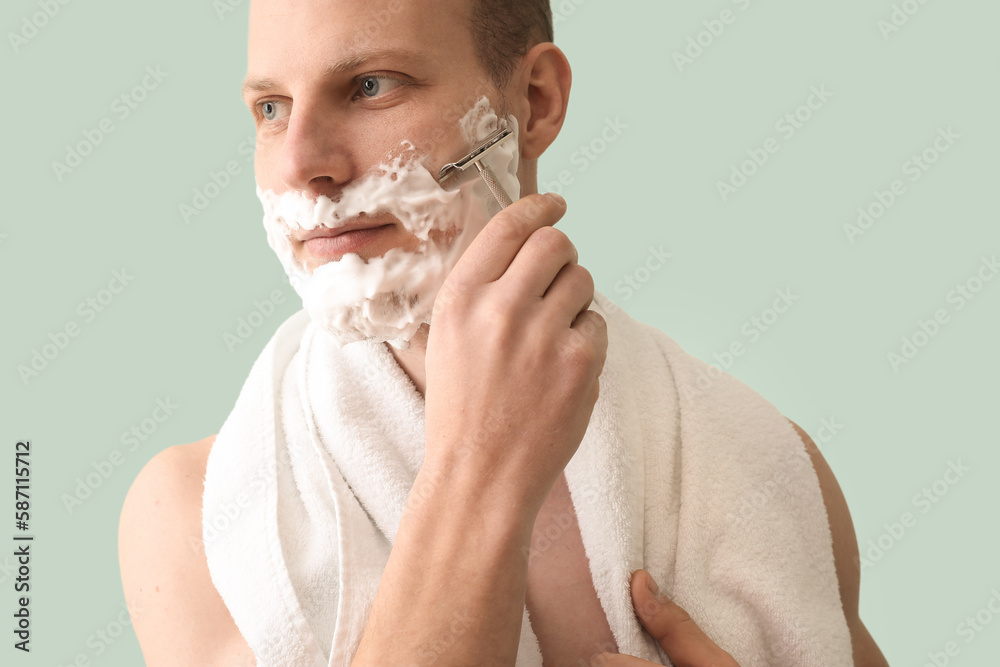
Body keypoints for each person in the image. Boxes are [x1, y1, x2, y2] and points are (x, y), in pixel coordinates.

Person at [117, 0, 890, 665]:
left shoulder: (762, 467)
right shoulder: (205, 522)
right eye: (271, 107)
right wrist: (479, 459)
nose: (301, 162)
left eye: (369, 85)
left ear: (535, 100)